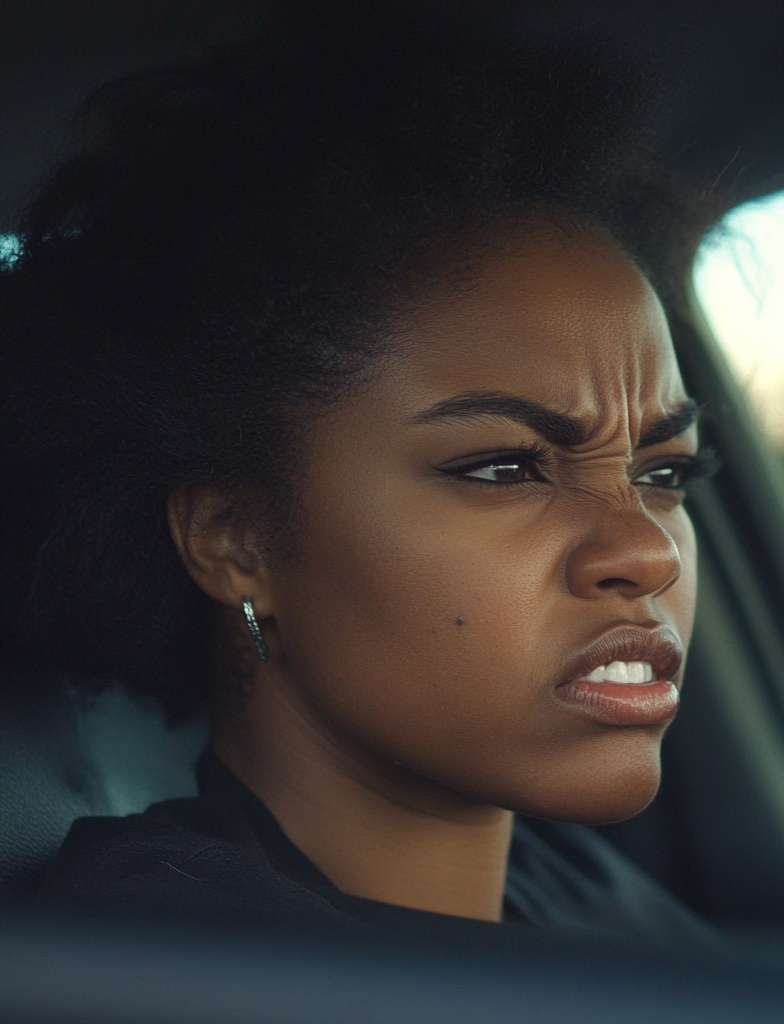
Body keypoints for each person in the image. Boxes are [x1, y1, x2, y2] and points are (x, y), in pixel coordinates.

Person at [2, 3, 720, 949]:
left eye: (662, 471)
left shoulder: (577, 889)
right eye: (506, 468)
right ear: (233, 539)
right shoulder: (162, 964)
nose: (644, 549)